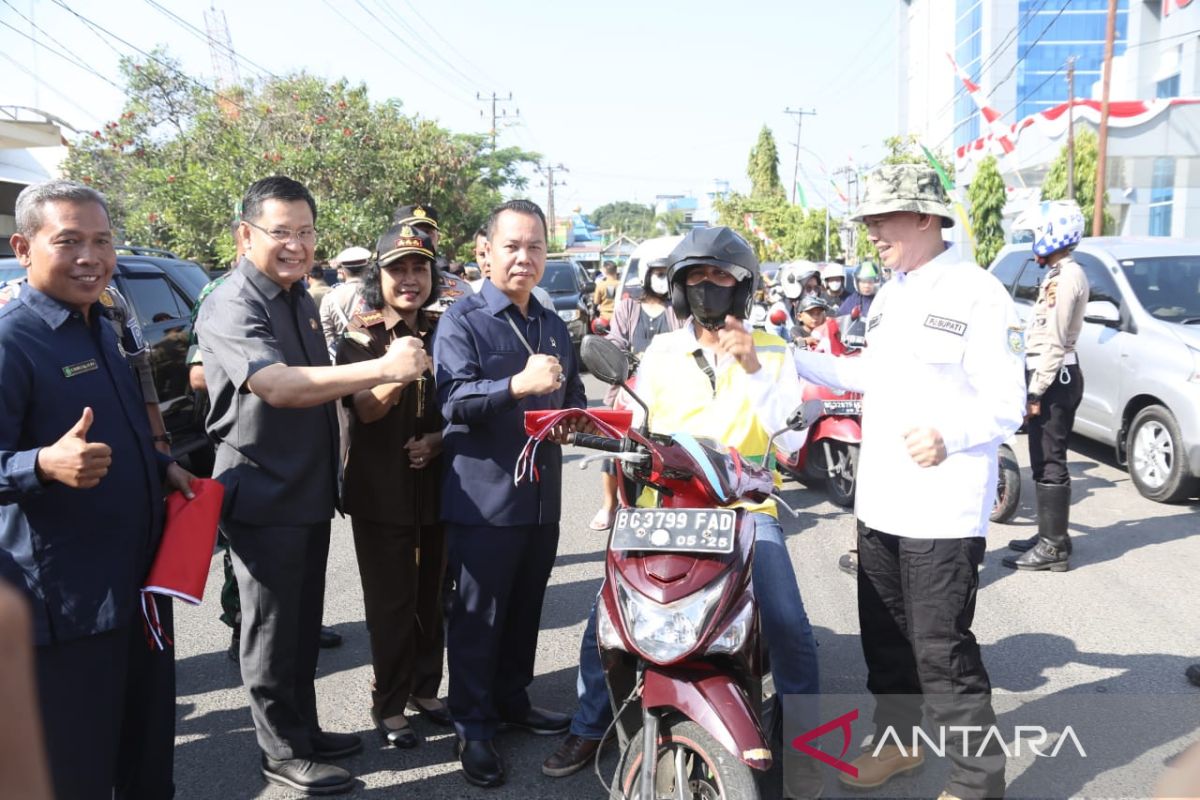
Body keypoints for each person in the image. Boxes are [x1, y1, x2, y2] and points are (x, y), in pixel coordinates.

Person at [544, 228, 820, 793]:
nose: (708, 289)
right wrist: (596, 430)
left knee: (789, 622)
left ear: (743, 288)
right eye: (696, 278)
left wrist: (753, 370)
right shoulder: (663, 352)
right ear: (677, 289)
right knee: (608, 618)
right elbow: (634, 421)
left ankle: (809, 739)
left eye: (721, 278)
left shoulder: (771, 350)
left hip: (745, 510)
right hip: (663, 511)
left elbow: (790, 448)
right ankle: (591, 722)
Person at [791, 164, 1024, 799]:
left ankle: (980, 782)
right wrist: (785, 357)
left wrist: (950, 433)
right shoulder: (891, 290)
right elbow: (870, 372)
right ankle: (898, 746)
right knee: (887, 643)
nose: (870, 231)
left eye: (881, 218)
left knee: (940, 653)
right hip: (881, 502)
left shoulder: (979, 293)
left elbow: (1009, 399)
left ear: (926, 217)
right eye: (866, 220)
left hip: (941, 511)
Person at [198, 176, 431, 796]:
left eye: (304, 232)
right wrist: (383, 367)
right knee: (270, 631)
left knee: (302, 627)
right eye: (281, 232)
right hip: (263, 490)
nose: (295, 245)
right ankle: (280, 750)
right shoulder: (232, 302)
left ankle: (303, 731)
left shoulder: (296, 295)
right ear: (245, 234)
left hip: (304, 489)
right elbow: (276, 385)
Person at [0, 179, 197, 800]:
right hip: (68, 610)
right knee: (77, 773)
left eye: (102, 240)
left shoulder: (103, 326)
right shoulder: (11, 342)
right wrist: (40, 465)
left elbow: (129, 426)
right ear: (24, 247)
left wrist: (161, 467)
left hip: (140, 589)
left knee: (145, 761)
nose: (91, 256)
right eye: (70, 241)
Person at [433, 199, 587, 789]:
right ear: (484, 250)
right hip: (485, 500)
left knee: (525, 607)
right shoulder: (463, 320)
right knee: (479, 616)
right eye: (512, 246)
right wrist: (515, 385)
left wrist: (593, 422)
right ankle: (473, 724)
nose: (525, 259)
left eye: (536, 248)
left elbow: (569, 397)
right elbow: (454, 402)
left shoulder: (550, 321)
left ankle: (513, 700)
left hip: (541, 497)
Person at [336, 223, 451, 750]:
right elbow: (363, 408)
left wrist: (439, 441)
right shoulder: (360, 337)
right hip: (381, 492)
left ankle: (425, 690)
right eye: (398, 269)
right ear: (376, 276)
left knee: (433, 596)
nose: (410, 279)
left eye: (419, 268)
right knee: (390, 602)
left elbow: (460, 406)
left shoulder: (448, 329)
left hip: (438, 488)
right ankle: (388, 702)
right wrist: (397, 369)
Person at [1003, 200, 1089, 573]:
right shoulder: (1058, 274)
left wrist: (1035, 391)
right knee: (1041, 459)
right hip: (1053, 377)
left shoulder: (1065, 278)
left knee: (1049, 460)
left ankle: (1053, 548)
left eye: (1039, 232)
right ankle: (1050, 535)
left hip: (1054, 380)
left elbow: (1053, 341)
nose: (1035, 239)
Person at [0, 277, 172, 455]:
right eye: (67, 246)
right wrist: (41, 466)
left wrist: (160, 439)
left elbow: (140, 367)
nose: (88, 257)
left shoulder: (111, 301)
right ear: (23, 251)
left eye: (102, 246)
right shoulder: (9, 316)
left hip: (126, 451)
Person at [585, 251, 682, 533]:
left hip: (668, 392)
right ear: (646, 275)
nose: (662, 278)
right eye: (658, 272)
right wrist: (615, 352)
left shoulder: (676, 309)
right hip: (629, 387)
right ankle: (609, 505)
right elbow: (615, 338)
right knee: (614, 448)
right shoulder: (628, 307)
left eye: (667, 273)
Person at [319, 245, 371, 355]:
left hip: (342, 356)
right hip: (374, 353)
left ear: (343, 270)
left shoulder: (330, 297)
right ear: (367, 268)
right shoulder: (377, 292)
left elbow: (326, 333)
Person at [767, 260, 821, 340]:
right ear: (794, 286)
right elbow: (772, 342)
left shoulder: (820, 310)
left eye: (815, 288)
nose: (813, 293)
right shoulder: (780, 310)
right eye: (808, 288)